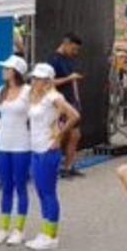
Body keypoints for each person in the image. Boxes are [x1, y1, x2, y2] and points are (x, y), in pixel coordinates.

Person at [25, 63, 81, 251]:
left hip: (48, 149)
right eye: (33, 78)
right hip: (36, 147)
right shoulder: (36, 96)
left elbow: (73, 115)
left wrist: (59, 136)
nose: (34, 81)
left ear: (47, 81)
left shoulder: (53, 97)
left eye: (38, 79)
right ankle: (46, 229)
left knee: (48, 192)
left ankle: (51, 235)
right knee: (40, 191)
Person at [0, 55, 32, 246]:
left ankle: (19, 229)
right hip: (2, 143)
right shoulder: (1, 90)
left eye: (7, 68)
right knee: (6, 186)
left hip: (21, 143)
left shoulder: (28, 91)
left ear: (15, 71)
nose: (3, 71)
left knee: (20, 186)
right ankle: (4, 227)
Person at [48, 33, 84, 178]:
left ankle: (68, 166)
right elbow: (48, 83)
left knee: (75, 135)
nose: (75, 53)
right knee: (60, 135)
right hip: (60, 103)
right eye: (73, 49)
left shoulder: (69, 60)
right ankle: (53, 167)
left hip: (71, 101)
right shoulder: (53, 60)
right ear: (66, 43)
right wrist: (69, 78)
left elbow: (73, 80)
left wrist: (77, 99)